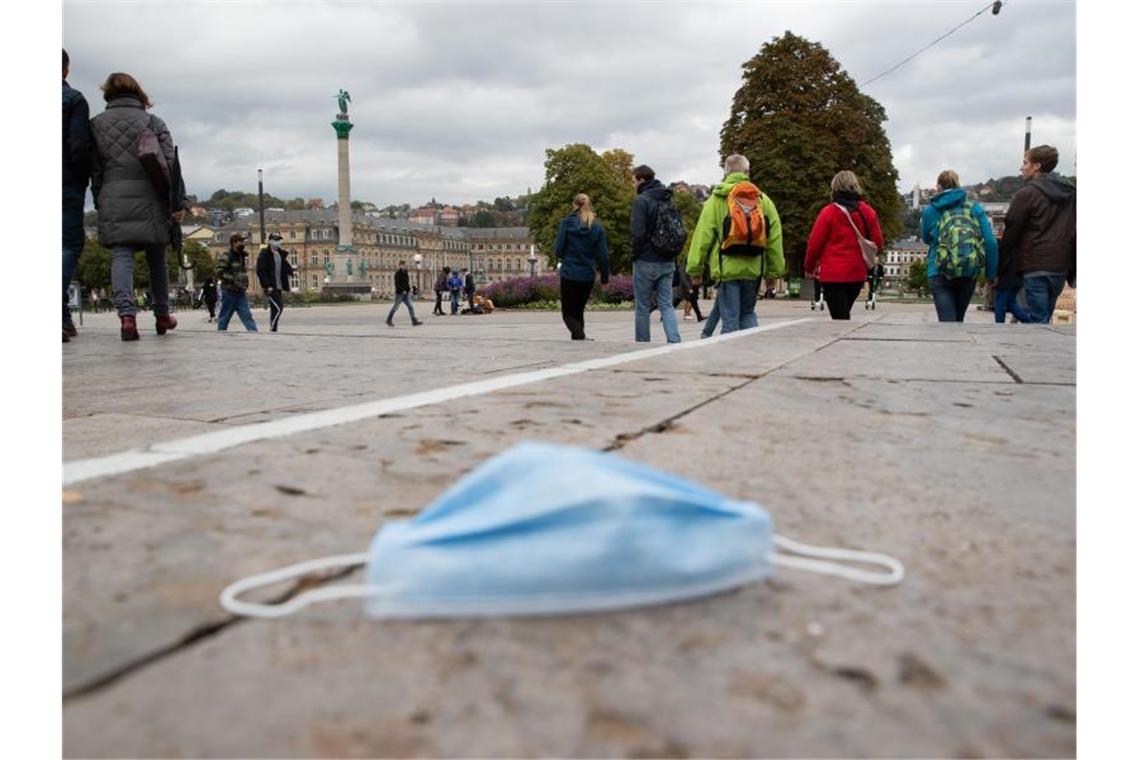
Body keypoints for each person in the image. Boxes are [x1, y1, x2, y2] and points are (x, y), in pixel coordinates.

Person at [89, 72, 187, 341]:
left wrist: (100, 198)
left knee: (122, 256)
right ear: (138, 93)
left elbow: (94, 171)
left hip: (112, 194)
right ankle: (162, 315)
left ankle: (127, 317)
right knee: (157, 258)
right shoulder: (153, 122)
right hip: (151, 198)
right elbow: (171, 165)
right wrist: (178, 203)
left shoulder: (95, 125)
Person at [688, 154, 784, 334]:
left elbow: (702, 237)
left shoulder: (716, 200)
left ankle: (730, 359)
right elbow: (775, 239)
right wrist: (773, 272)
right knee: (748, 314)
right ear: (747, 172)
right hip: (754, 268)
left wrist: (695, 270)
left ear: (726, 172)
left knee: (730, 320)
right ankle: (752, 355)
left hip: (727, 269)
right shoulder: (763, 200)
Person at [998, 145, 1076, 324]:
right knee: (1045, 316)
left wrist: (1001, 265)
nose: (1021, 167)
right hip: (1061, 263)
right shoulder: (1071, 194)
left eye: (1025, 162)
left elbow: (1011, 230)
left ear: (1037, 166)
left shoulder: (1026, 194)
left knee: (1038, 320)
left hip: (1034, 262)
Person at [804, 171, 885, 321]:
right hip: (857, 274)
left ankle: (843, 342)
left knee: (840, 318)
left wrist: (809, 267)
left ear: (834, 188)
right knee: (842, 314)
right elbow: (878, 243)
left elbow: (814, 244)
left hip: (832, 275)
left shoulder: (828, 213)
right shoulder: (868, 212)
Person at [920, 170, 998, 322]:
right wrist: (991, 273)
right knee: (958, 321)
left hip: (938, 269)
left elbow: (926, 238)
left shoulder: (930, 210)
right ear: (958, 185)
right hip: (968, 271)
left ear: (939, 187)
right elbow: (990, 241)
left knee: (947, 322)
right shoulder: (975, 208)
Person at [630, 165, 681, 343]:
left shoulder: (641, 201)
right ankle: (674, 340)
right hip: (667, 259)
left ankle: (642, 344)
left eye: (633, 181)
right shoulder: (667, 198)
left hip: (646, 260)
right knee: (666, 305)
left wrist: (634, 255)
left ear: (641, 180)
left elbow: (638, 234)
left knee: (642, 307)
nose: (633, 185)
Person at [62, 49, 92, 343]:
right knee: (69, 245)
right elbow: (79, 146)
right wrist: (84, 178)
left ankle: (63, 318)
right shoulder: (74, 100)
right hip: (65, 181)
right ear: (66, 70)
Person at [554, 193, 609, 340]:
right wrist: (604, 277)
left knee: (568, 313)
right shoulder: (597, 227)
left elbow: (558, 250)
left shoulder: (566, 224)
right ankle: (578, 339)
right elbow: (603, 255)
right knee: (579, 310)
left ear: (574, 205)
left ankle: (579, 335)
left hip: (569, 273)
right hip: (587, 274)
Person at [216, 233, 258, 331]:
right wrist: (233, 279)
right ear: (234, 243)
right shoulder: (227, 255)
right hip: (229, 291)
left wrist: (245, 282)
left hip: (240, 292)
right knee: (225, 316)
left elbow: (242, 272)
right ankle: (220, 335)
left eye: (243, 242)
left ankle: (255, 334)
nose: (243, 244)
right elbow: (219, 272)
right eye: (240, 242)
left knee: (247, 315)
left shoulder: (241, 256)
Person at [256, 233, 294, 332]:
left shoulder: (279, 254)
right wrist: (267, 285)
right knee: (278, 307)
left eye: (279, 240)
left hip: (279, 285)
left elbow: (284, 265)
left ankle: (274, 329)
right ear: (270, 241)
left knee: (275, 308)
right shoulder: (264, 254)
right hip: (271, 286)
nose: (277, 242)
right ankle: (272, 328)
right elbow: (261, 270)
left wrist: (291, 271)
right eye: (275, 239)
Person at [387, 260, 422, 326]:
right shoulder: (397, 273)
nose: (406, 266)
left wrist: (409, 289)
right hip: (400, 294)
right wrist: (402, 290)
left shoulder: (406, 272)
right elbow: (397, 284)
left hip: (406, 294)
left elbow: (406, 282)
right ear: (401, 265)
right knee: (396, 307)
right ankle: (389, 320)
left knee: (410, 306)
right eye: (405, 265)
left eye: (406, 265)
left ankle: (413, 320)